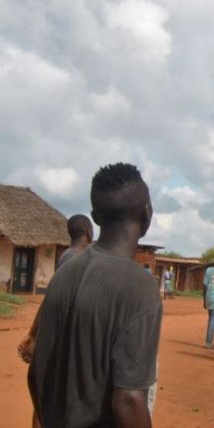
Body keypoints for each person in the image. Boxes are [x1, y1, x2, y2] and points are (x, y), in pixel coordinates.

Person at [28, 162, 162, 428]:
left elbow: (35, 376)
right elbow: (129, 400)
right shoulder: (139, 286)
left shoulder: (63, 274)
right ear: (147, 212)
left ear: (96, 217)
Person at [17, 214, 94, 363]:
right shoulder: (74, 259)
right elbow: (53, 297)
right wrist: (33, 335)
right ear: (89, 233)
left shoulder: (69, 256)